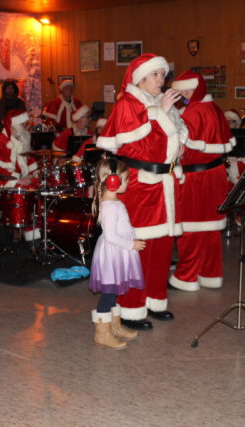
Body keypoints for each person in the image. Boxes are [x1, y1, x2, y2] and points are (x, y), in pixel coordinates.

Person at [96, 53, 187, 330]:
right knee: (138, 249)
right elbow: (139, 146)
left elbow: (176, 138)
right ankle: (131, 309)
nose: (162, 79)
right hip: (140, 185)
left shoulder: (160, 102)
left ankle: (155, 301)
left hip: (165, 185)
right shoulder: (127, 104)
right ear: (140, 78)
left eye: (163, 74)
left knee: (161, 249)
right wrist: (160, 112)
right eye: (155, 74)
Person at [169, 70, 235, 291]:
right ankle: (210, 274)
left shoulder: (193, 113)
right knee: (210, 230)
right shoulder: (214, 109)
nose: (184, 95)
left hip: (196, 179)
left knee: (190, 229)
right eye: (182, 91)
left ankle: (186, 277)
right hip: (215, 175)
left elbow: (182, 151)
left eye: (188, 90)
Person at [89, 157, 146, 349]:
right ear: (113, 180)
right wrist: (131, 244)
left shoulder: (113, 202)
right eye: (126, 178)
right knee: (109, 293)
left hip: (117, 253)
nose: (128, 182)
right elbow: (111, 236)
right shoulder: (110, 206)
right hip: (113, 254)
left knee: (113, 292)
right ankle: (102, 334)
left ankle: (114, 326)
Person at [0, 110, 40, 241]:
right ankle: (31, 234)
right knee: (28, 192)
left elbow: (32, 164)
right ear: (13, 125)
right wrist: (18, 179)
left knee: (42, 187)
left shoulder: (22, 140)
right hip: (3, 184)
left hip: (21, 180)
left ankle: (38, 233)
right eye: (23, 124)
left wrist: (35, 175)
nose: (26, 127)